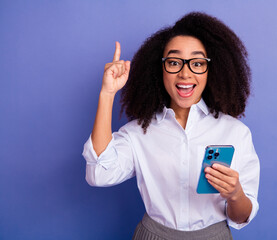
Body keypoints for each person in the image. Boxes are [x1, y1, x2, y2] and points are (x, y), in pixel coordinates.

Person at [82, 12, 260, 239]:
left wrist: (235, 194)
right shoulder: (139, 132)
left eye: (197, 63)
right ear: (160, 69)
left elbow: (240, 217)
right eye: (174, 62)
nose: (185, 73)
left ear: (211, 70)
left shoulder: (236, 133)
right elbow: (99, 174)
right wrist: (107, 93)